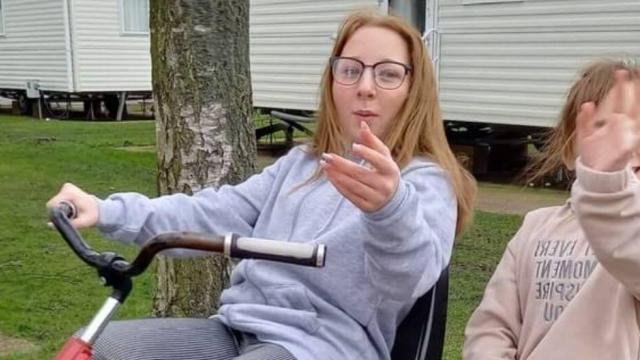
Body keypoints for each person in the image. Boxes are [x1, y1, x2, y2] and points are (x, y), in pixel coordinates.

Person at [48, 10, 476, 360]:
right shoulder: (302, 164)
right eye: (351, 70)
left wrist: (389, 209)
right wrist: (105, 210)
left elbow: (410, 278)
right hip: (236, 328)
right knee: (97, 347)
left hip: (322, 346)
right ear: (333, 83)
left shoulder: (425, 182)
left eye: (387, 74)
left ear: (413, 89)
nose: (365, 87)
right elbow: (212, 213)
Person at [463, 59, 640, 359]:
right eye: (604, 129)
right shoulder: (535, 226)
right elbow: (493, 326)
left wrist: (607, 189)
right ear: (569, 151)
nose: (625, 146)